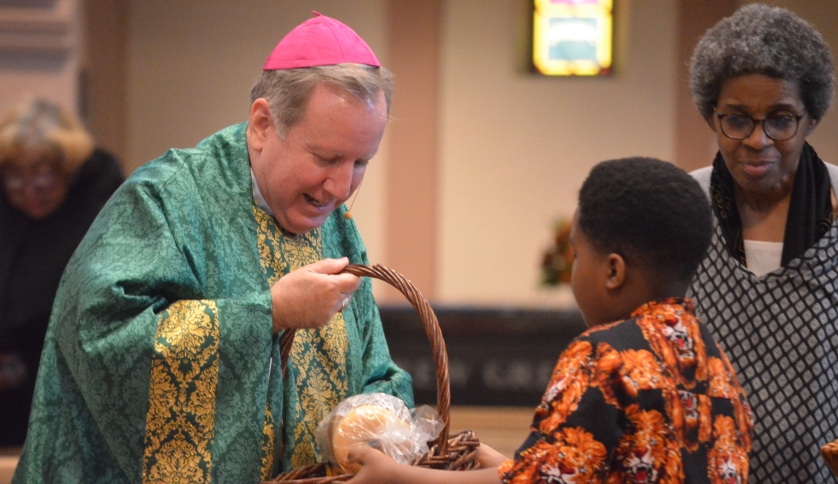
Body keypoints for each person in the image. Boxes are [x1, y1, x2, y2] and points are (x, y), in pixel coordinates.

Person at [12, 12, 412, 483]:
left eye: (361, 162)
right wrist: (270, 312)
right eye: (326, 158)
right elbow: (100, 339)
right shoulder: (164, 199)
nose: (343, 187)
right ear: (263, 124)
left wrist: (373, 418)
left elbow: (376, 370)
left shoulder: (337, 227)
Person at [346, 157, 753, 483]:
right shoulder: (718, 368)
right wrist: (511, 466)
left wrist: (398, 476)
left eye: (577, 254)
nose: (574, 268)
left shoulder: (603, 356)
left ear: (613, 272)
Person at [686, 4, 838, 482]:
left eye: (780, 119)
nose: (758, 140)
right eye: (737, 119)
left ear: (811, 116)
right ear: (711, 115)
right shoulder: (684, 207)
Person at [0, 97, 123, 447]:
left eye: (40, 175)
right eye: (14, 176)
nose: (28, 191)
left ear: (68, 169)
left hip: (69, 409)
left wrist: (27, 362)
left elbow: (104, 316)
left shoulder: (101, 217)